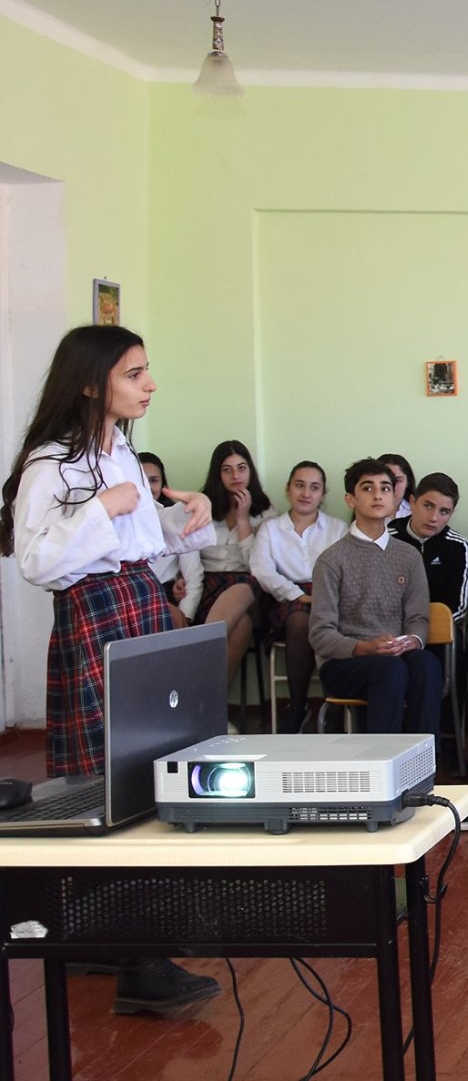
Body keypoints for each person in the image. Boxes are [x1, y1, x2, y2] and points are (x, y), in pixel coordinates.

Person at [0, 325, 220, 1014]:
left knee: (151, 762)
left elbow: (135, 540)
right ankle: (137, 959)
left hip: (135, 600)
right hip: (95, 612)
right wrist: (101, 506)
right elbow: (38, 561)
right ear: (93, 383)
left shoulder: (118, 448)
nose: (149, 384)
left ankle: (106, 936)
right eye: (134, 373)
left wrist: (184, 517)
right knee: (112, 774)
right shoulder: (50, 463)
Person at [309, 459, 444, 734]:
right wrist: (364, 647)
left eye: (385, 488)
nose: (378, 495)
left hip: (395, 656)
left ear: (395, 499)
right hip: (345, 663)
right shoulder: (331, 560)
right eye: (367, 488)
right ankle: (382, 757)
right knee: (390, 670)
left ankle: (425, 756)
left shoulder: (408, 556)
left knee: (427, 664)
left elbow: (418, 618)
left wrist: (412, 640)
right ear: (350, 499)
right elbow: (321, 634)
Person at [250, 461, 347, 732]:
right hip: (286, 599)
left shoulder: (338, 529)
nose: (306, 493)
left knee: (334, 622)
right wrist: (296, 595)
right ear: (288, 488)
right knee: (299, 622)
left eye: (314, 487)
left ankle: (335, 705)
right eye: (300, 485)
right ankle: (298, 705)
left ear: (323, 493)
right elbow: (261, 570)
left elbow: (346, 570)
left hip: (330, 595)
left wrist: (323, 597)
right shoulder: (271, 529)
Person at [192, 439, 277, 686]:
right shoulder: (202, 507)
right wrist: (179, 579)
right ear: (217, 474)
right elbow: (188, 555)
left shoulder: (266, 511)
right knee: (241, 626)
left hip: (250, 586)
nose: (236, 476)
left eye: (241, 468)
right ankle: (211, 703)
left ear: (250, 470)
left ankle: (198, 656)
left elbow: (256, 566)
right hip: (207, 586)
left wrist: (242, 519)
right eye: (227, 470)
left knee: (241, 587)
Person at [389, 472, 468, 620]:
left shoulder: (459, 546)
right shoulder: (386, 539)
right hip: (390, 627)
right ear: (413, 502)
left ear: (452, 513)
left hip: (439, 629)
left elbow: (458, 608)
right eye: (428, 506)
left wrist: (420, 628)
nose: (434, 518)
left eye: (444, 512)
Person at [138, 452, 201, 627]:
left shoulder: (176, 521)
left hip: (167, 599)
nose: (148, 487)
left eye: (154, 480)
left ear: (163, 485)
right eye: (142, 481)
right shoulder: (120, 522)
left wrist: (185, 616)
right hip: (134, 600)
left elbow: (193, 576)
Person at [380, 452, 416, 520]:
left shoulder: (415, 513)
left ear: (408, 482)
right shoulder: (364, 510)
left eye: (398, 480)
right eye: (387, 480)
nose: (392, 487)